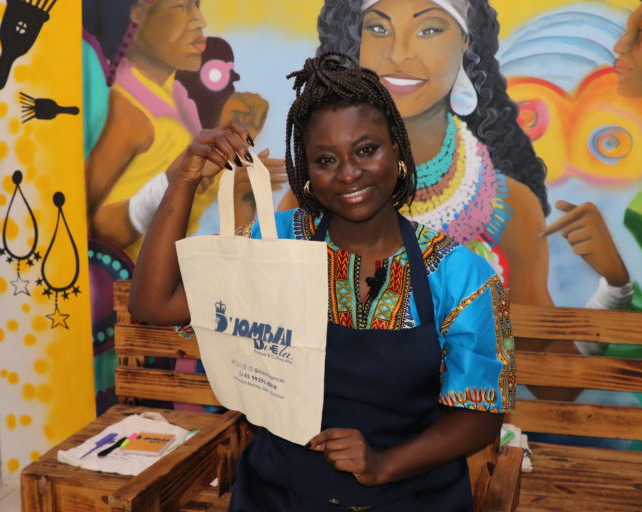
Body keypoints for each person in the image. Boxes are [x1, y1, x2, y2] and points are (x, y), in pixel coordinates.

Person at [130, 52, 514, 511]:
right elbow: (153, 304)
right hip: (277, 494)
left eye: (366, 150)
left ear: (397, 149)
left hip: (411, 494)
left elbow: (481, 417)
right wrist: (185, 180)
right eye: (326, 159)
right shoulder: (273, 246)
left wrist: (384, 464)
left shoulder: (461, 275)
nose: (348, 173)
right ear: (306, 172)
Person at [306, 0, 551, 310]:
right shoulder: (315, 193)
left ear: (467, 40)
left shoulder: (512, 207)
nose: (398, 54)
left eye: (429, 30)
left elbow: (538, 336)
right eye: (378, 28)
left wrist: (609, 285)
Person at [84, 0, 284, 260]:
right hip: (137, 279)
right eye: (180, 7)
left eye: (196, 6)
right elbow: (86, 228)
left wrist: (234, 177)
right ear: (138, 14)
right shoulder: (129, 111)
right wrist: (170, 184)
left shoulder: (172, 95)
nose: (200, 21)